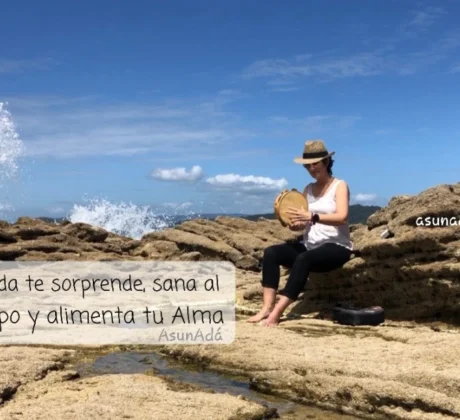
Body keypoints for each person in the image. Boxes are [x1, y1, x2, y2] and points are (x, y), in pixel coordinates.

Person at [247, 139, 353, 327]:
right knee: (271, 253)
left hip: (337, 246)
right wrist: (297, 225)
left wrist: (311, 216)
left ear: (326, 162)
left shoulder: (340, 185)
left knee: (303, 259)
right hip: (311, 244)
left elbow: (342, 217)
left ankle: (278, 312)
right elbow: (305, 221)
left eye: (315, 164)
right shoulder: (308, 189)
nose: (312, 168)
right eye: (308, 166)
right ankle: (266, 308)